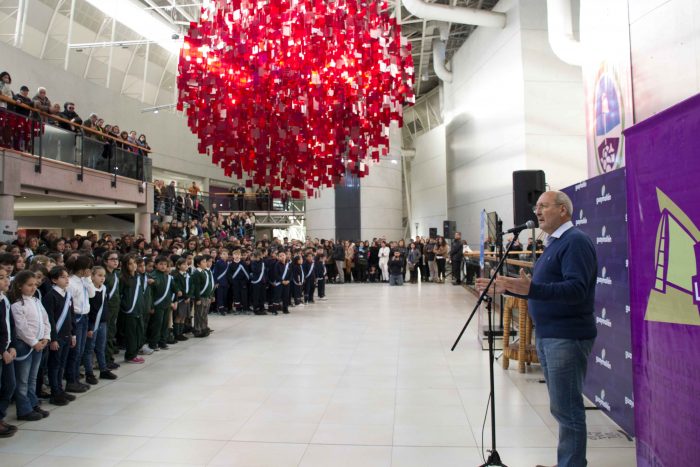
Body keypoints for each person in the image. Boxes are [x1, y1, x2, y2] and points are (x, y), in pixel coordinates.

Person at [476, 191, 597, 467]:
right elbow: (541, 290)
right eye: (536, 207)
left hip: (566, 335)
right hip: (550, 333)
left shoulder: (576, 242)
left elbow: (577, 290)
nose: (537, 212)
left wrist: (530, 288)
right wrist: (510, 287)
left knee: (568, 409)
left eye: (543, 206)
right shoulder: (555, 242)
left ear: (563, 211)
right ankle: (566, 462)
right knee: (561, 407)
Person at [10, 271, 51, 421]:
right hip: (25, 345)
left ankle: (33, 404)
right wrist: (34, 342)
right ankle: (23, 409)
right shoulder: (16, 305)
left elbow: (45, 320)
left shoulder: (36, 301)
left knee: (33, 378)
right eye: (29, 285)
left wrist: (46, 336)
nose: (33, 288)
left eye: (35, 285)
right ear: (20, 286)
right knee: (23, 380)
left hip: (39, 343)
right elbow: (22, 328)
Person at [42, 266, 76, 406]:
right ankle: (55, 392)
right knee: (54, 364)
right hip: (57, 336)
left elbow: (71, 315)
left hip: (67, 334)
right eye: (63, 277)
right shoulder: (50, 296)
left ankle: (60, 390)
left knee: (62, 363)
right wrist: (53, 338)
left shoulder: (67, 294)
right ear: (54, 280)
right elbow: (49, 319)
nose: (67, 279)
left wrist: (73, 334)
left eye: (67, 276)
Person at [84, 266, 116, 383]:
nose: (102, 278)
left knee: (101, 347)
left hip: (102, 322)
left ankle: (103, 369)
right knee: (89, 349)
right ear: (92, 276)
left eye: (103, 276)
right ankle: (89, 373)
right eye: (99, 275)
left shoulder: (104, 288)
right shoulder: (89, 290)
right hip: (92, 323)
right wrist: (89, 327)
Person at [0, 268, 18, 436]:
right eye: (1, 278)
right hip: (1, 351)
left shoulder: (4, 299)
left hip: (6, 349)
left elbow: (9, 324)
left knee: (10, 385)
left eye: (6, 277)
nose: (6, 281)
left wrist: (11, 345)